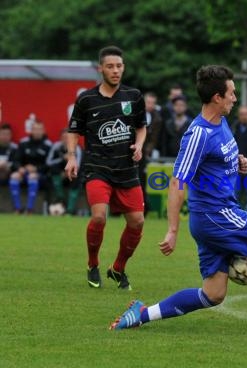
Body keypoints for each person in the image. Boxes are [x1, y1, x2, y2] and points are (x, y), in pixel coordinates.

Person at [109, 65, 247, 336]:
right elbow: (178, 182)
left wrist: (237, 161)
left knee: (213, 294)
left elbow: (218, 157)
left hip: (214, 216)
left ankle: (143, 314)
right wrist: (172, 230)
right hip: (216, 214)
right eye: (231, 93)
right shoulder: (198, 134)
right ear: (217, 97)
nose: (235, 98)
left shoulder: (221, 122)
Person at [66, 45, 147, 290]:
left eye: (119, 66)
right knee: (99, 217)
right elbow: (73, 131)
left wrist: (139, 145)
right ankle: (93, 264)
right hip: (96, 167)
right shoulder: (86, 99)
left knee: (138, 222)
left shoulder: (133, 96)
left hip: (126, 170)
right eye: (110, 66)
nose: (115, 71)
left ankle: (118, 268)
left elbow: (142, 126)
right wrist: (71, 157)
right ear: (100, 68)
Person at [10, 120, 52, 213]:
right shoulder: (23, 143)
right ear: (31, 130)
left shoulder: (48, 145)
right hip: (24, 173)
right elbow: (15, 160)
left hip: (41, 176)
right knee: (14, 177)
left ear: (43, 131)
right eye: (35, 129)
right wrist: (20, 168)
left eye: (39, 129)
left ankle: (30, 209)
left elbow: (49, 165)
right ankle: (17, 209)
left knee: (32, 178)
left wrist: (36, 169)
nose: (37, 131)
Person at [46, 129, 82, 215]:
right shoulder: (56, 147)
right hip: (59, 174)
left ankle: (69, 210)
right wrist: (62, 158)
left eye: (68, 138)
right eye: (64, 138)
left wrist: (67, 173)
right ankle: (60, 198)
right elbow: (48, 162)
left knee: (77, 177)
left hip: (71, 174)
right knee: (53, 169)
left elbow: (79, 165)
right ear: (60, 138)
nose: (66, 140)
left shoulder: (77, 148)